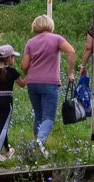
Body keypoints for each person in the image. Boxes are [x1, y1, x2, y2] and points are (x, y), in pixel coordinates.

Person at [20, 13, 78, 151]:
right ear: (50, 25)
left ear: (35, 26)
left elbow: (24, 66)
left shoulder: (30, 42)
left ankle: (37, 147)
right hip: (50, 84)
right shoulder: (57, 39)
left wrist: (32, 74)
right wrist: (70, 73)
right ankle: (40, 142)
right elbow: (71, 52)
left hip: (33, 84)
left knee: (38, 115)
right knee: (48, 117)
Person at [0, 44, 26, 161]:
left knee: (2, 126)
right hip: (7, 101)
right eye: (13, 57)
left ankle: (7, 150)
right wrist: (30, 75)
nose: (14, 60)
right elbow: (22, 84)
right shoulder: (12, 72)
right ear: (8, 58)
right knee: (4, 127)